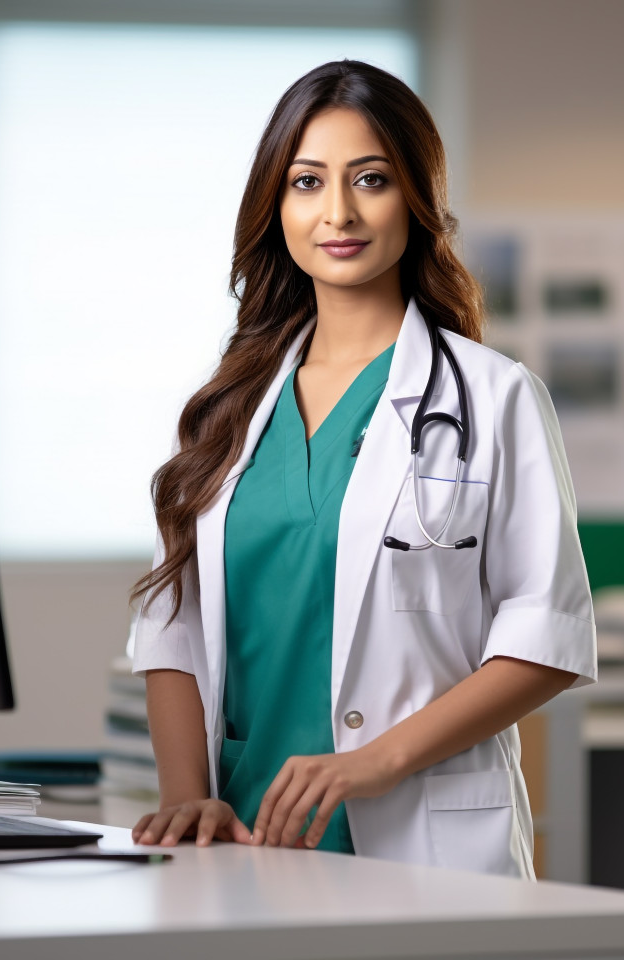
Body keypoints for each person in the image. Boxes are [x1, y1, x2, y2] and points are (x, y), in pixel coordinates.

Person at [129, 59, 596, 878]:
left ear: (415, 198)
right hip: (240, 838)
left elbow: (546, 634)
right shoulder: (228, 410)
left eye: (370, 179)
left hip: (420, 840)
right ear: (276, 206)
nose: (337, 212)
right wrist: (185, 792)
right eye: (307, 182)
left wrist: (372, 762)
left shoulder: (494, 396)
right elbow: (172, 626)